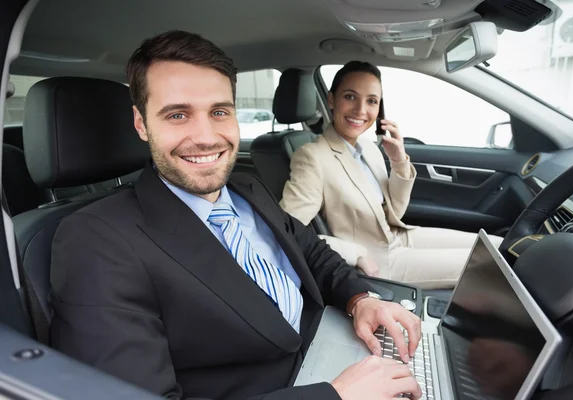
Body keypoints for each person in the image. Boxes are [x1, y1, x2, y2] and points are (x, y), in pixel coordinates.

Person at [49, 31, 423, 400]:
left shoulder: (247, 189)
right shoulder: (95, 241)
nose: (206, 136)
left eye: (219, 112)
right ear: (141, 124)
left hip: (344, 350)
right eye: (177, 114)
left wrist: (361, 300)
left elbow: (312, 253)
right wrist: (336, 396)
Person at [280, 61, 503, 289]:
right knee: (494, 263)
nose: (361, 110)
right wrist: (355, 254)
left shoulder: (368, 148)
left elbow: (396, 210)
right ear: (331, 100)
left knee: (500, 247)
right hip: (379, 260)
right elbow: (286, 230)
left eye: (372, 101)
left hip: (398, 236)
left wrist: (398, 160)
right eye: (350, 97)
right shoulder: (312, 156)